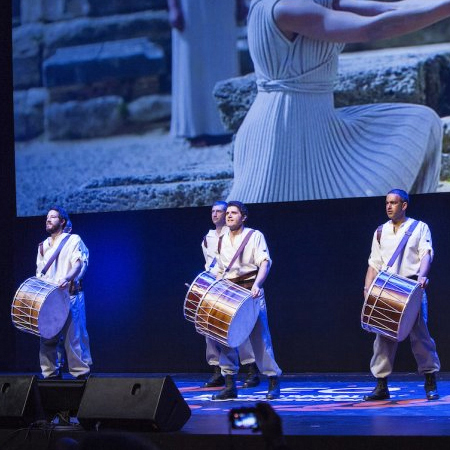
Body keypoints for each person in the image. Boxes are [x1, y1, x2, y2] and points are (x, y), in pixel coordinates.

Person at [227, 0, 448, 203]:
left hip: (317, 122)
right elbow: (372, 28)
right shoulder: (285, 7)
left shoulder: (318, 1)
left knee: (423, 120)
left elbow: (392, 9)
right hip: (282, 126)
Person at [363, 189, 440, 401]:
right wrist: (367, 289)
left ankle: (430, 380)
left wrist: (423, 277)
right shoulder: (380, 231)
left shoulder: (419, 227)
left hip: (411, 288)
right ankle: (381, 385)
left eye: (394, 203)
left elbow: (426, 254)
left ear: (404, 205)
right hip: (387, 289)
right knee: (383, 339)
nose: (389, 206)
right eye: (387, 203)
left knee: (420, 336)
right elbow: (373, 264)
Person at [211, 201, 282, 400]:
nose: (229, 216)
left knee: (259, 337)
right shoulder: (221, 239)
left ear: (244, 217)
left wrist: (257, 285)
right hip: (228, 291)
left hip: (249, 290)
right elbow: (218, 269)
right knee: (226, 338)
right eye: (228, 213)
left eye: (234, 213)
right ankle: (229, 384)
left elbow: (265, 263)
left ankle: (273, 379)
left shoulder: (254, 235)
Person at [166, 0, 248, 146]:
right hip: (191, 8)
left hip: (222, 8)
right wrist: (173, 7)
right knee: (192, 60)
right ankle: (195, 129)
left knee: (223, 59)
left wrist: (240, 3)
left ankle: (224, 125)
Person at [201, 201, 260, 389]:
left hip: (237, 286)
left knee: (239, 329)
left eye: (221, 211)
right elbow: (211, 264)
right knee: (211, 329)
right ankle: (218, 370)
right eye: (213, 211)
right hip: (216, 286)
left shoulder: (240, 235)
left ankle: (250, 368)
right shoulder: (208, 239)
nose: (217, 214)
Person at [37, 206, 91, 380]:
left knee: (73, 339)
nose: (48, 219)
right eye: (47, 217)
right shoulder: (42, 246)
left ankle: (80, 375)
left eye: (53, 217)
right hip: (49, 300)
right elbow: (40, 273)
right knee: (47, 339)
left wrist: (67, 278)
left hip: (70, 295)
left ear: (62, 221)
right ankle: (50, 374)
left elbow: (78, 264)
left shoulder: (73, 240)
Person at [56, 220, 93, 370]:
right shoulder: (50, 246)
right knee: (54, 331)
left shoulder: (76, 243)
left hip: (72, 292)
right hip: (55, 294)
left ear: (68, 229)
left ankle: (83, 366)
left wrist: (72, 279)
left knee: (77, 331)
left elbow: (81, 265)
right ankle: (56, 365)